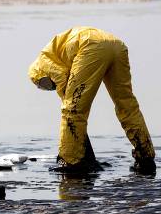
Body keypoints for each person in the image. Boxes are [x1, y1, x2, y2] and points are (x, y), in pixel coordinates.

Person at [29, 27, 155, 174]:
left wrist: (67, 100)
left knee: (72, 110)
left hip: (90, 46)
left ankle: (71, 162)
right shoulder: (55, 53)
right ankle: (145, 157)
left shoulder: (41, 65)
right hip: (116, 45)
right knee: (126, 104)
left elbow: (62, 81)